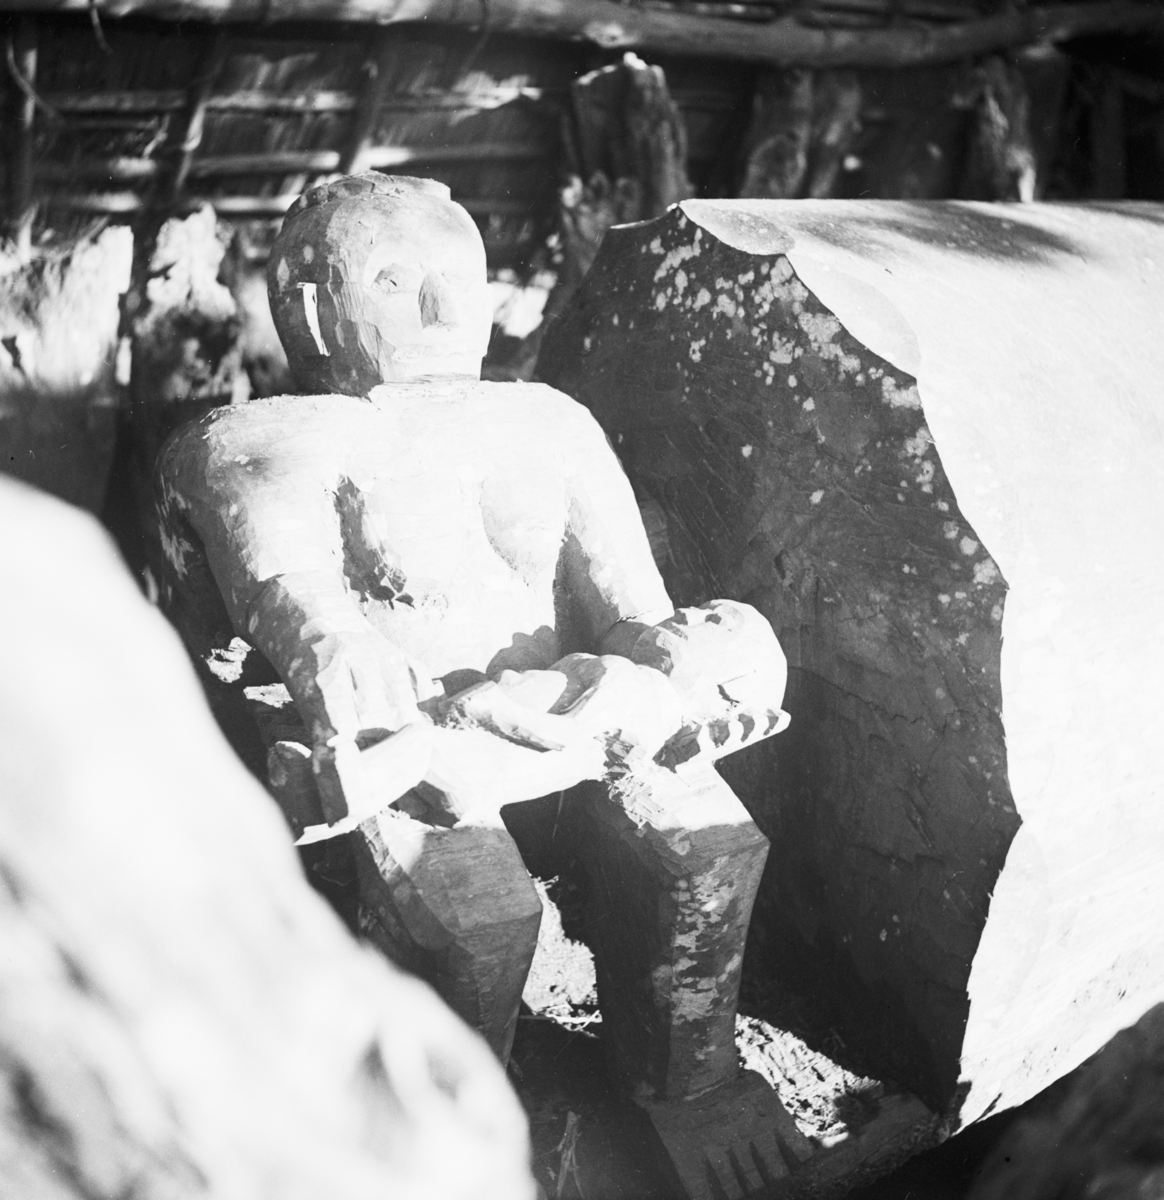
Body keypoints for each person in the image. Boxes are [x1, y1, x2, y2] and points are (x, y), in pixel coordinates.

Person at [158, 173, 808, 1196]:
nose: (439, 309)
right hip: (414, 746)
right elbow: (292, 595)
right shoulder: (257, 441)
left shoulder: (548, 420)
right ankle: (447, 1136)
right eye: (394, 278)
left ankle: (691, 1084)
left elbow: (635, 605)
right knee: (484, 918)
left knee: (708, 850)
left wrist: (689, 658)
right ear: (315, 310)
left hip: (577, 708)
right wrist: (331, 646)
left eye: (459, 278)